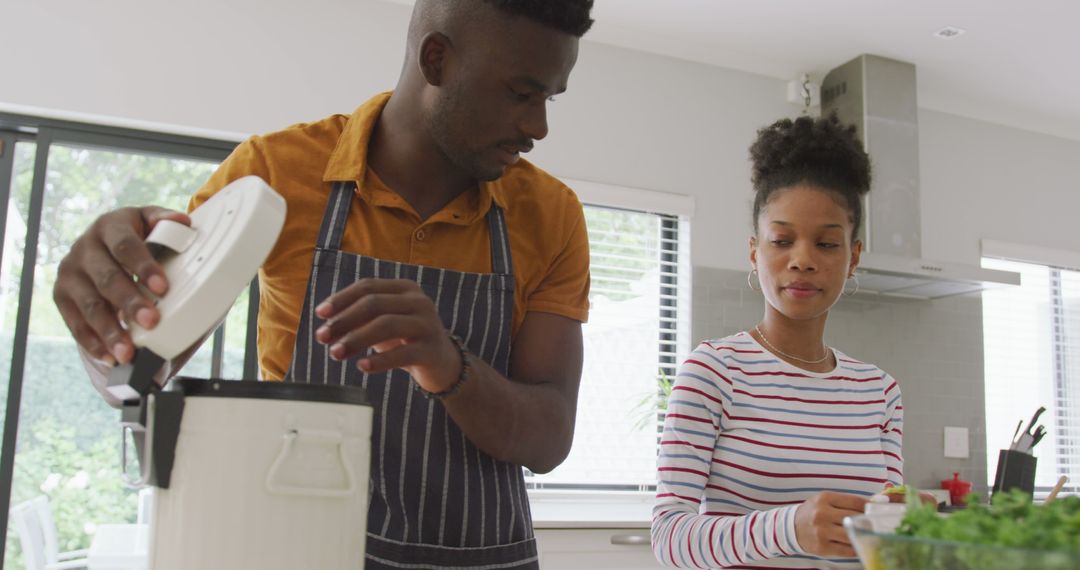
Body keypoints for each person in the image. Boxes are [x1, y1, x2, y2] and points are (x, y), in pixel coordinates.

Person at [52, 1, 595, 568]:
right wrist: (106, 317)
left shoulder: (551, 213)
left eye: (548, 99)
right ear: (437, 60)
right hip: (295, 549)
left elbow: (549, 441)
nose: (538, 127)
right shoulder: (274, 173)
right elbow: (134, 375)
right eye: (520, 93)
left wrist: (448, 363)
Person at [651, 115, 904, 569]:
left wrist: (911, 525)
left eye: (827, 244)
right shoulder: (714, 371)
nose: (802, 260)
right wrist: (790, 528)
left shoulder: (879, 391)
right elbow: (670, 537)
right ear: (755, 250)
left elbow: (881, 539)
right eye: (782, 240)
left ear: (854, 257)